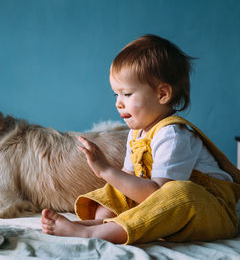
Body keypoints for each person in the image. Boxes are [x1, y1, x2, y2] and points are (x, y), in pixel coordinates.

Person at [41, 34, 240, 244]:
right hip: (168, 211)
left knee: (180, 192)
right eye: (115, 95)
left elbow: (157, 197)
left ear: (163, 94)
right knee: (119, 188)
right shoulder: (136, 134)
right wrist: (114, 181)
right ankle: (101, 225)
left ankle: (92, 233)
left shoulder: (173, 135)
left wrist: (106, 170)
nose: (119, 103)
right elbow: (130, 180)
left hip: (211, 213)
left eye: (126, 94)